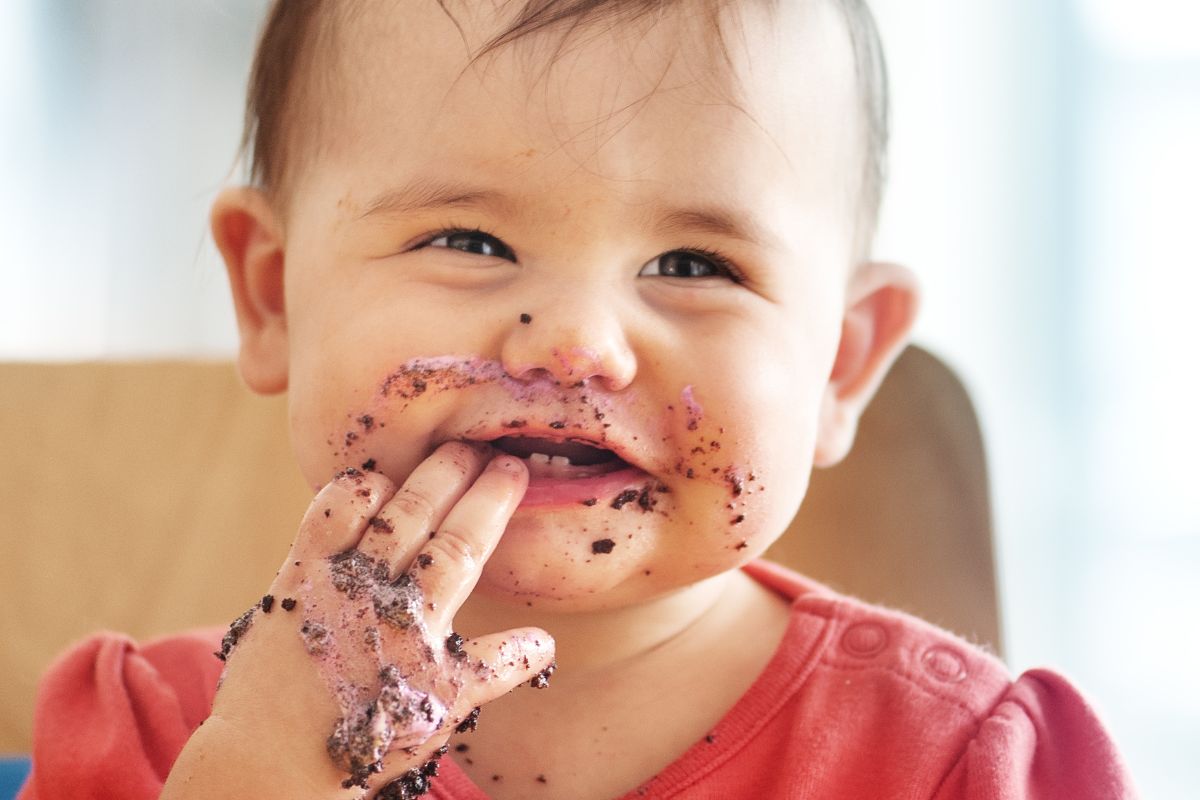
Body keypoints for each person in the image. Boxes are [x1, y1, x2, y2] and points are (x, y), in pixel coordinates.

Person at [20, 1, 1138, 798]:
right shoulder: (154, 741)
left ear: (840, 364)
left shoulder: (960, 761)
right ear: (271, 295)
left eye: (696, 264)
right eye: (469, 239)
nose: (578, 344)